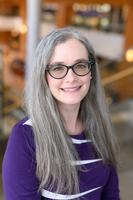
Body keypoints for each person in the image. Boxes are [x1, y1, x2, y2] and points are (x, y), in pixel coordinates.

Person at [2, 27, 120, 200]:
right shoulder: (26, 136)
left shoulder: (101, 127)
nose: (71, 78)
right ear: (44, 76)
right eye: (58, 68)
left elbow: (111, 196)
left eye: (80, 65)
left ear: (91, 73)